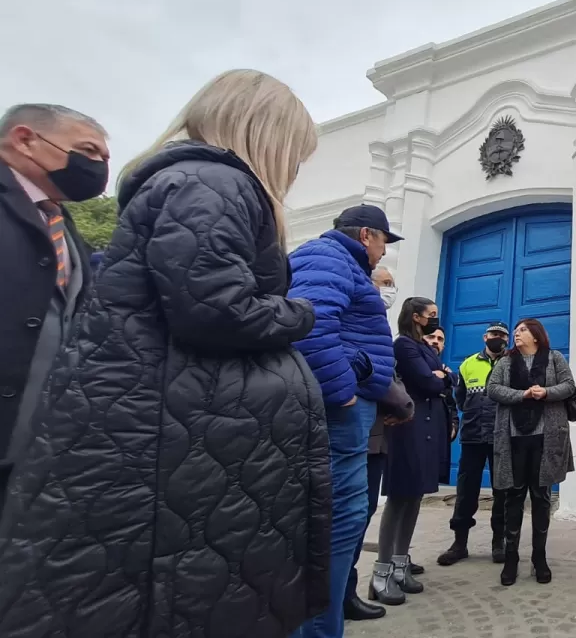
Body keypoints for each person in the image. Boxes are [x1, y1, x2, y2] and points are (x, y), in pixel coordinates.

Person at [0, 70, 331, 638]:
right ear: (263, 135)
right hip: (173, 446)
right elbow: (215, 307)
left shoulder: (188, 182)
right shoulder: (213, 182)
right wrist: (299, 312)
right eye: (293, 152)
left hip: (169, 436)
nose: (294, 169)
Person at [288, 204, 400, 637]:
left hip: (346, 410)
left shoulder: (338, 262)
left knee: (344, 523)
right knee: (333, 524)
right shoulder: (327, 258)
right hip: (338, 414)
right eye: (383, 243)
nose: (383, 253)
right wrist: (345, 395)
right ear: (366, 234)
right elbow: (310, 329)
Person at [0, 103, 108, 514]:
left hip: (31, 445)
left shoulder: (62, 224)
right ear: (25, 140)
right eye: (88, 150)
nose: (98, 166)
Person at [486, 318, 576, 586]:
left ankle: (540, 558)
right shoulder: (505, 361)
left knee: (541, 497)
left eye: (522, 330)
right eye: (515, 332)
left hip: (544, 438)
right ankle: (511, 558)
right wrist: (522, 395)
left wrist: (545, 392)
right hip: (513, 438)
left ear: (536, 335)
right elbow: (493, 389)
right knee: (513, 497)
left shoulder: (554, 358)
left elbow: (569, 385)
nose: (516, 334)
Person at [373, 297, 449, 604]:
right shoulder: (403, 345)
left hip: (427, 428)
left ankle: (402, 563)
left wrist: (442, 376)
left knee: (415, 495)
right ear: (416, 317)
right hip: (407, 427)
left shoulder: (424, 348)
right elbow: (430, 384)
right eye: (431, 315)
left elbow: (444, 378)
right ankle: (381, 570)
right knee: (399, 496)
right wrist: (439, 377)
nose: (434, 319)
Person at [344, 265, 409, 622]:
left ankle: (346, 591)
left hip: (377, 436)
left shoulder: (376, 325)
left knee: (361, 514)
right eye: (385, 284)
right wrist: (401, 402)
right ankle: (336, 594)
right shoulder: (356, 321)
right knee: (350, 516)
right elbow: (379, 373)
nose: (390, 290)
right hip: (358, 434)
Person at [438, 321, 510, 567]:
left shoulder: (512, 363)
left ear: (507, 339)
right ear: (484, 337)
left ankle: (498, 543)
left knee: (502, 492)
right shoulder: (468, 364)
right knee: (466, 492)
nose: (497, 338)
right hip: (472, 437)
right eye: (493, 334)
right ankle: (459, 543)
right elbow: (460, 399)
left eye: (501, 335)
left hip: (502, 438)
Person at [422, 325, 460, 489]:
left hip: (435, 439)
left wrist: (453, 425)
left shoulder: (445, 371)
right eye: (431, 337)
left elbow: (451, 403)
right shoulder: (410, 363)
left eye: (440, 339)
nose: (435, 342)